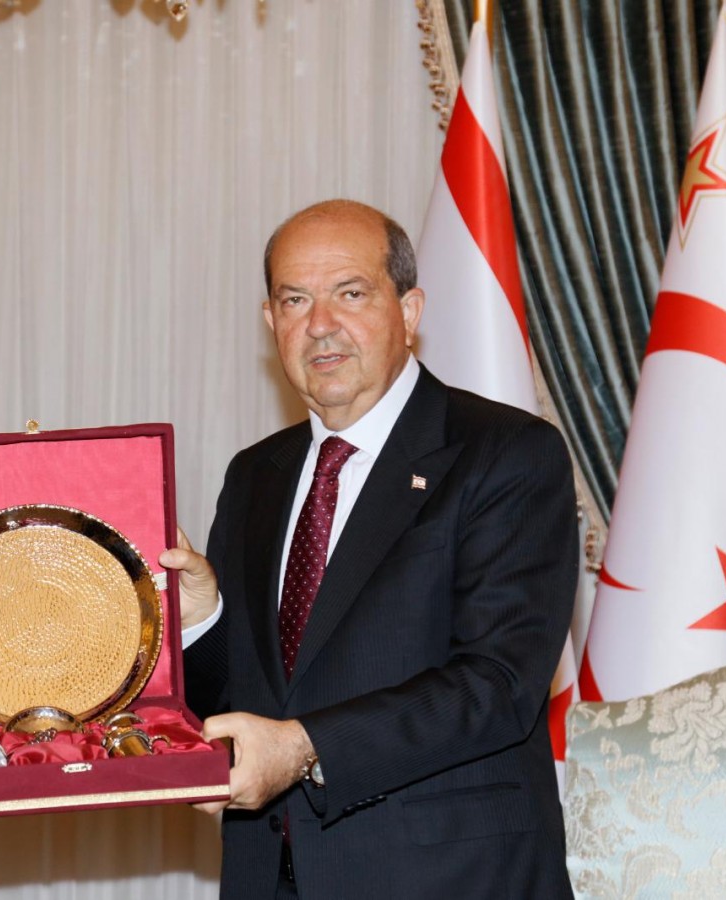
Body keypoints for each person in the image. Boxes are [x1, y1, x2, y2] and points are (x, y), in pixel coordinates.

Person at [161, 200, 577, 898]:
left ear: (409, 312)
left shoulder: (505, 453)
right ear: (270, 322)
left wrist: (304, 749)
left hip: (448, 879)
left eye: (350, 294)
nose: (320, 324)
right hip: (268, 876)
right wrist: (202, 619)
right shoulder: (255, 474)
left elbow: (496, 683)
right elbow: (245, 701)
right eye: (294, 300)